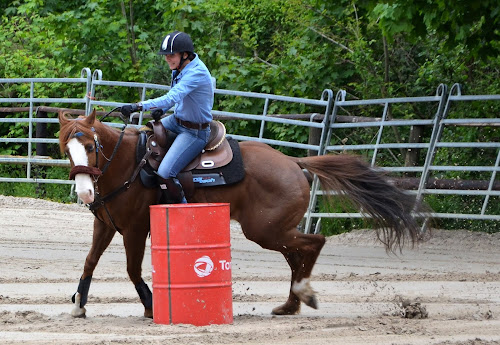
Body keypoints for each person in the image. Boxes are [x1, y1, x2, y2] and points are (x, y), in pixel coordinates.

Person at [121, 31, 214, 203]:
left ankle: (183, 210)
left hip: (193, 132)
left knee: (165, 172)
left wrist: (139, 106)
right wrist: (163, 109)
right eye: (166, 56)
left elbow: (172, 97)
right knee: (141, 134)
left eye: (171, 55)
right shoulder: (180, 68)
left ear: (185, 54)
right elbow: (176, 97)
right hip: (176, 120)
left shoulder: (197, 73)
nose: (167, 59)